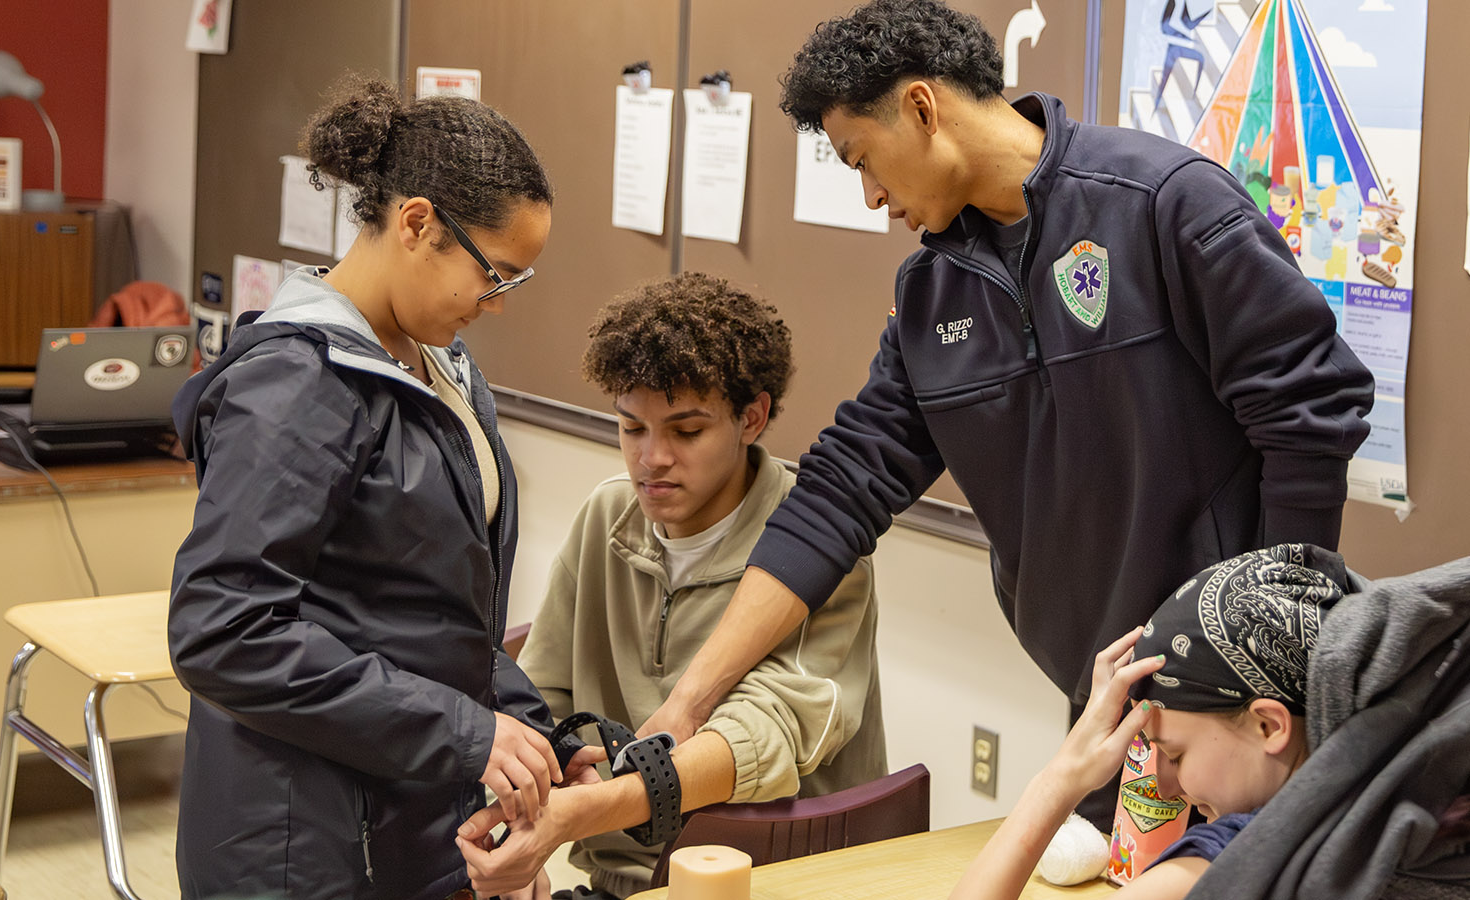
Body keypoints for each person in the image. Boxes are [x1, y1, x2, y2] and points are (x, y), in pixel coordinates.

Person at [640, 0, 1376, 823]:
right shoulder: (930, 295)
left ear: (922, 107)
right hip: (1106, 701)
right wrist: (692, 702)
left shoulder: (1161, 202)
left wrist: (1276, 657)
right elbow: (840, 493)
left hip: (1244, 713)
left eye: (862, 160)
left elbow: (1311, 407)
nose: (873, 196)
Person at [167, 78, 578, 900]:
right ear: (417, 223)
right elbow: (223, 629)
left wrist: (536, 735)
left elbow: (430, 615)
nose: (494, 306)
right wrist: (464, 733)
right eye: (493, 276)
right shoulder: (297, 384)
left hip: (406, 820)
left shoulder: (439, 369)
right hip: (297, 849)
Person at [454, 273, 887, 898]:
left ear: (753, 417)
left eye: (686, 432)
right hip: (620, 881)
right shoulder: (606, 518)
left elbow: (760, 738)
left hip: (779, 879)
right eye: (632, 428)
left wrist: (577, 815)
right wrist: (522, 827)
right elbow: (540, 697)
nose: (651, 458)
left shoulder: (816, 548)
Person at [946, 543, 1470, 900]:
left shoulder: (1231, 866)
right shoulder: (1434, 805)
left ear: (1269, 725)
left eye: (1174, 754)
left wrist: (1058, 780)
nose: (1165, 785)